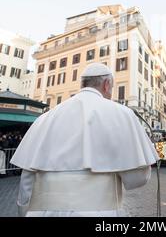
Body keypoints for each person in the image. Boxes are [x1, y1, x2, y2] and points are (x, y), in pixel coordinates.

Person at [11, 63, 158, 217]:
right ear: (107, 85)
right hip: (99, 213)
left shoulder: (45, 118)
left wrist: (24, 213)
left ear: (82, 84)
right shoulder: (122, 113)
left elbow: (26, 181)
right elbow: (136, 178)